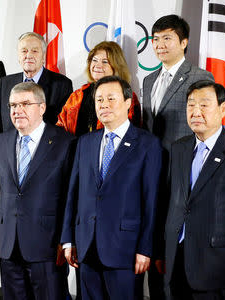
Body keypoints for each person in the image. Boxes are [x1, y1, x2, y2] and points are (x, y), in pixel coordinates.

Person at [61, 76, 163, 299]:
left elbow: (151, 201)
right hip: (86, 247)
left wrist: (146, 248)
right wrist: (68, 239)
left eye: (111, 98)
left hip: (125, 250)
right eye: (99, 100)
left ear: (128, 102)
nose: (104, 105)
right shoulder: (85, 143)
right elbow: (74, 194)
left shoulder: (148, 144)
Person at [163, 80, 225, 300]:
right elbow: (172, 202)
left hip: (217, 265)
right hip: (176, 259)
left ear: (223, 108)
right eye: (191, 105)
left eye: (204, 105)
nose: (196, 111)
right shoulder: (179, 148)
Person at [141, 15, 215, 299]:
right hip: (153, 172)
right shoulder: (148, 80)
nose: (159, 45)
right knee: (155, 243)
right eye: (156, 39)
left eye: (167, 38)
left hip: (183, 174)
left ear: (184, 42)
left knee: (177, 249)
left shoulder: (199, 77)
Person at [0, 82, 75, 299]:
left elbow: (70, 197)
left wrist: (68, 239)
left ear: (42, 107)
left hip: (48, 246)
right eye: (13, 105)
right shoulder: (1, 141)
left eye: (25, 104)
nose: (18, 110)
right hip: (8, 245)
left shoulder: (65, 142)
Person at [0, 32, 72, 138]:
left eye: (34, 51)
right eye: (24, 51)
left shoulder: (62, 85)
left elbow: (64, 128)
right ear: (18, 56)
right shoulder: (4, 83)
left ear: (43, 56)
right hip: (8, 151)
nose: (28, 55)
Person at [57, 41, 141, 136]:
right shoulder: (77, 96)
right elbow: (61, 128)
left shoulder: (125, 95)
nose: (97, 65)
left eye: (105, 62)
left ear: (116, 66)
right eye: (95, 60)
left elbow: (131, 133)